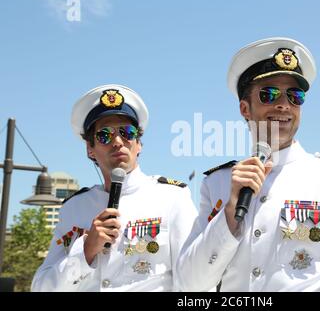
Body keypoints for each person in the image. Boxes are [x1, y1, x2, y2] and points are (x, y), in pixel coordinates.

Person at [176, 37, 320, 291]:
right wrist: (228, 214)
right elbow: (189, 285)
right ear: (244, 108)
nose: (283, 104)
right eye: (269, 94)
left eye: (295, 96)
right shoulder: (217, 183)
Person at [32, 84, 197, 291]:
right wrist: (85, 251)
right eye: (104, 135)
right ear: (90, 149)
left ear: (139, 144)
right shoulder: (74, 208)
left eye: (127, 132)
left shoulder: (172, 197)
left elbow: (195, 281)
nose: (118, 141)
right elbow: (41, 287)